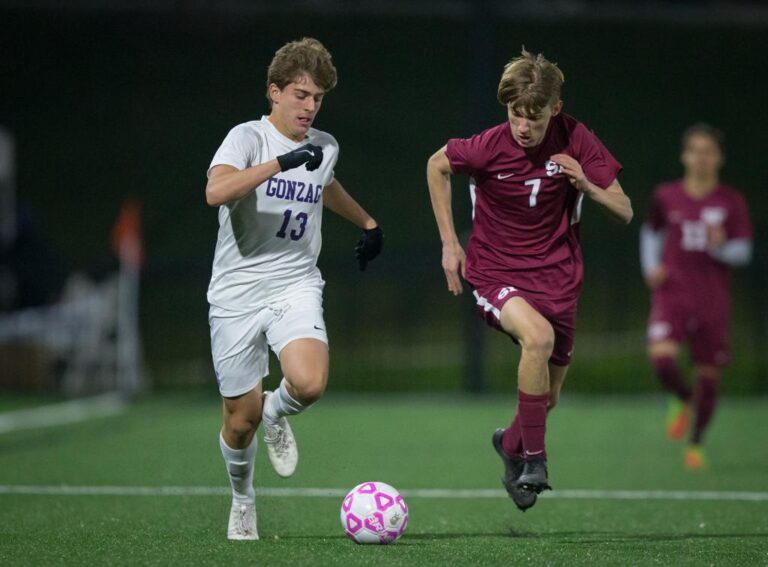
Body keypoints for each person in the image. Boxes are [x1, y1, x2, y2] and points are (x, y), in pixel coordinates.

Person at [426, 48, 632, 511]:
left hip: (558, 281)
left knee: (549, 396)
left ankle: (511, 443)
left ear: (554, 109)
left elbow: (625, 209)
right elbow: (435, 165)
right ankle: (534, 460)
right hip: (496, 273)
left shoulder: (576, 138)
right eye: (515, 114)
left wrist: (587, 184)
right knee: (536, 339)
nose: (522, 126)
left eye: (533, 118)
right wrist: (449, 243)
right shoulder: (489, 145)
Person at [205, 38, 383, 540]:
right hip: (236, 293)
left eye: (318, 98)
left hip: (295, 282)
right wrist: (279, 164)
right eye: (301, 95)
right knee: (239, 424)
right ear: (274, 92)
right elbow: (216, 191)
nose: (309, 106)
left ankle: (277, 413)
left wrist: (368, 221)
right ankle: (243, 499)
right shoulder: (246, 139)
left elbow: (325, 185)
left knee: (308, 383)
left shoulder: (324, 146)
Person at [641, 123, 752, 470]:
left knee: (708, 375)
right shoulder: (666, 195)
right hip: (672, 292)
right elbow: (651, 231)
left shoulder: (731, 201)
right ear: (684, 155)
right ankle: (682, 397)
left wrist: (721, 247)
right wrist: (650, 266)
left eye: (708, 151)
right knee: (662, 359)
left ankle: (696, 442)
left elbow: (743, 252)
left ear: (719, 158)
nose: (701, 158)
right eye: (695, 151)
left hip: (712, 298)